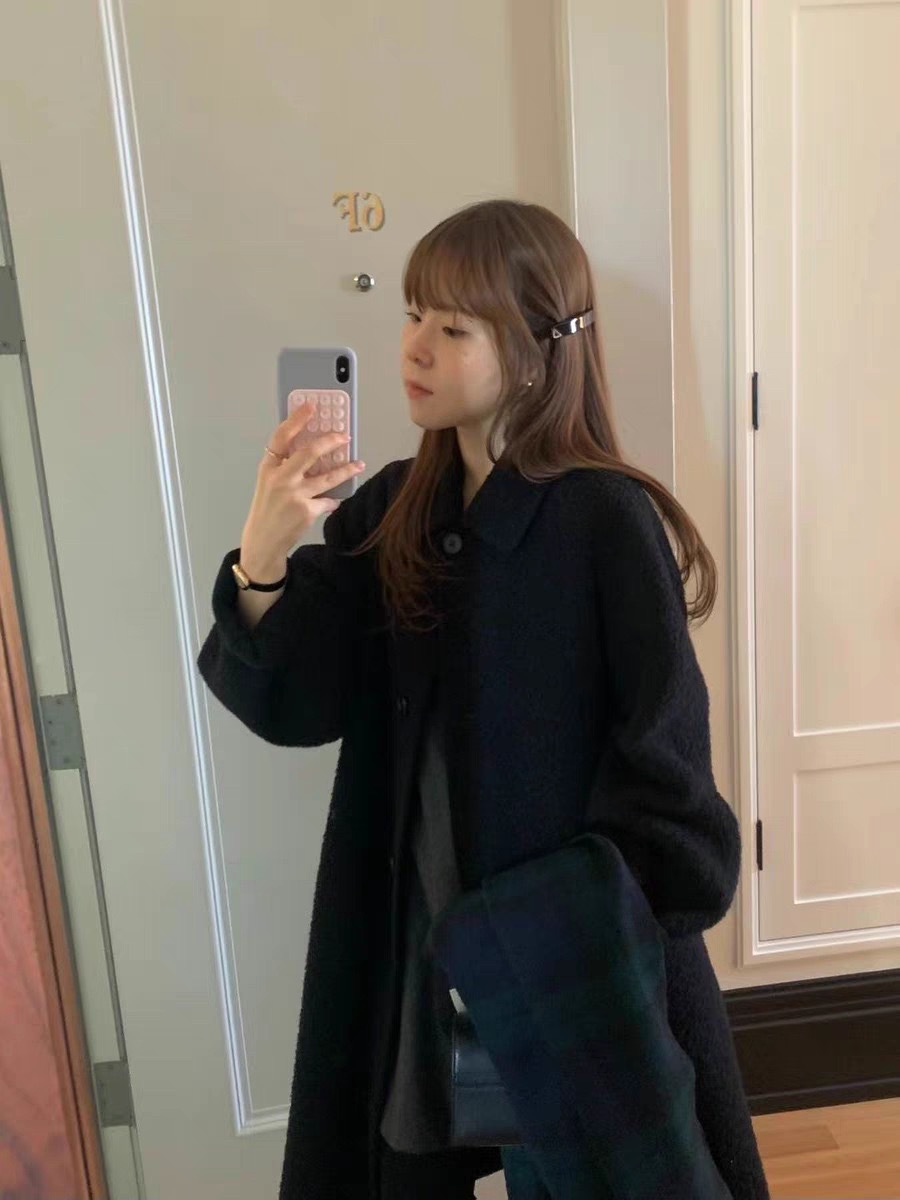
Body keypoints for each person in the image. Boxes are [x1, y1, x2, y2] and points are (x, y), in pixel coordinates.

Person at [197, 198, 769, 1200]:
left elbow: (668, 768)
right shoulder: (394, 508)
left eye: (453, 328)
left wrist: (571, 916)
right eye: (413, 313)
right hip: (416, 948)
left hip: (566, 968)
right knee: (409, 1165)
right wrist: (264, 553)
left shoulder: (603, 520)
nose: (413, 347)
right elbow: (298, 703)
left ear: (539, 353)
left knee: (592, 1172)